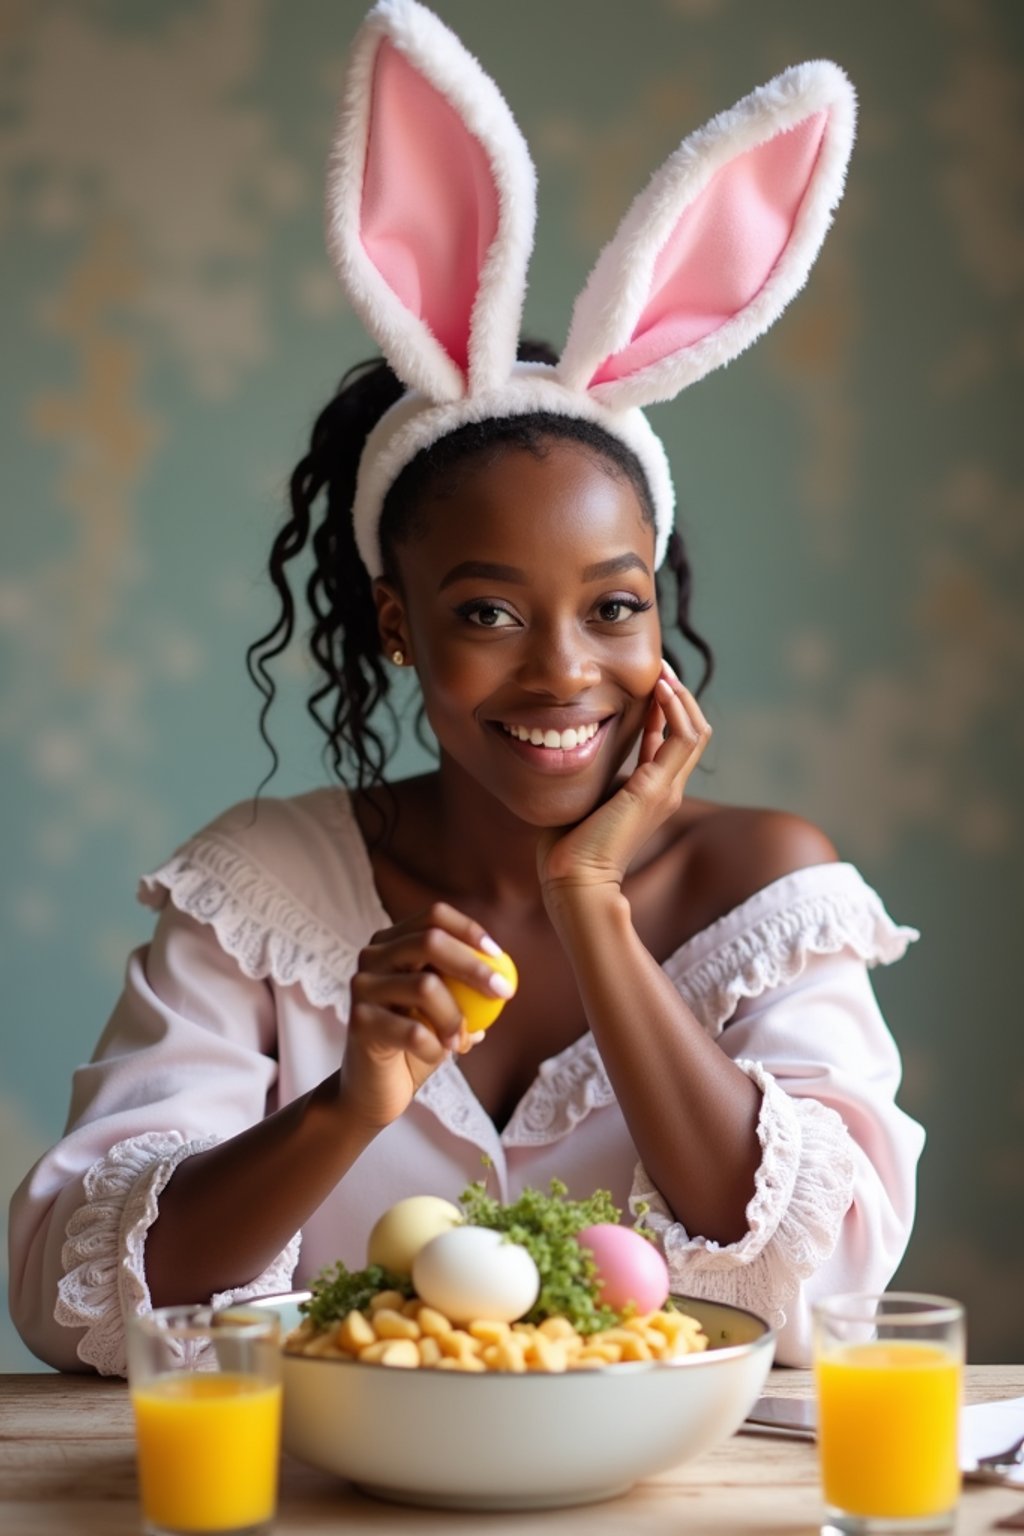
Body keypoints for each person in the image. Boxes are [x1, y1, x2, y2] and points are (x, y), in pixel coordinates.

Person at [9, 0, 924, 1375]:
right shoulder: (264, 895)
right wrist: (350, 1102)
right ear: (397, 626)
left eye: (614, 608)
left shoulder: (767, 891)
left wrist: (590, 906)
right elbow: (83, 1305)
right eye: (486, 610)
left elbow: (818, 1295)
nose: (564, 669)